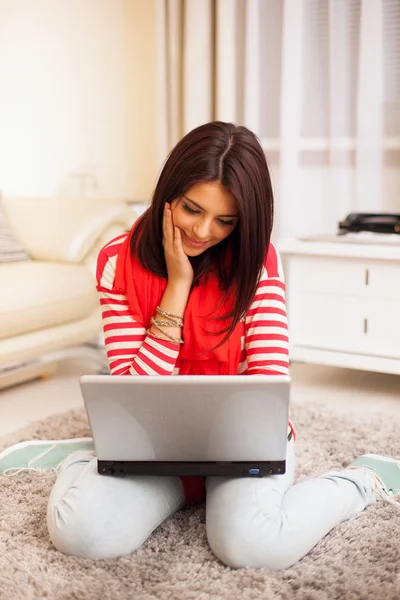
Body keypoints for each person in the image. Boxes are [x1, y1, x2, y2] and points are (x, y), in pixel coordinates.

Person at [1, 121, 399, 569]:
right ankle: (79, 461)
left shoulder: (258, 261)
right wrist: (177, 288)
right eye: (193, 210)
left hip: (240, 446)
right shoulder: (117, 260)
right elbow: (135, 386)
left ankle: (361, 480)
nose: (204, 231)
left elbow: (267, 385)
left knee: (253, 547)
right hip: (155, 448)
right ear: (168, 193)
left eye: (226, 220)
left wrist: (235, 446)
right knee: (83, 534)